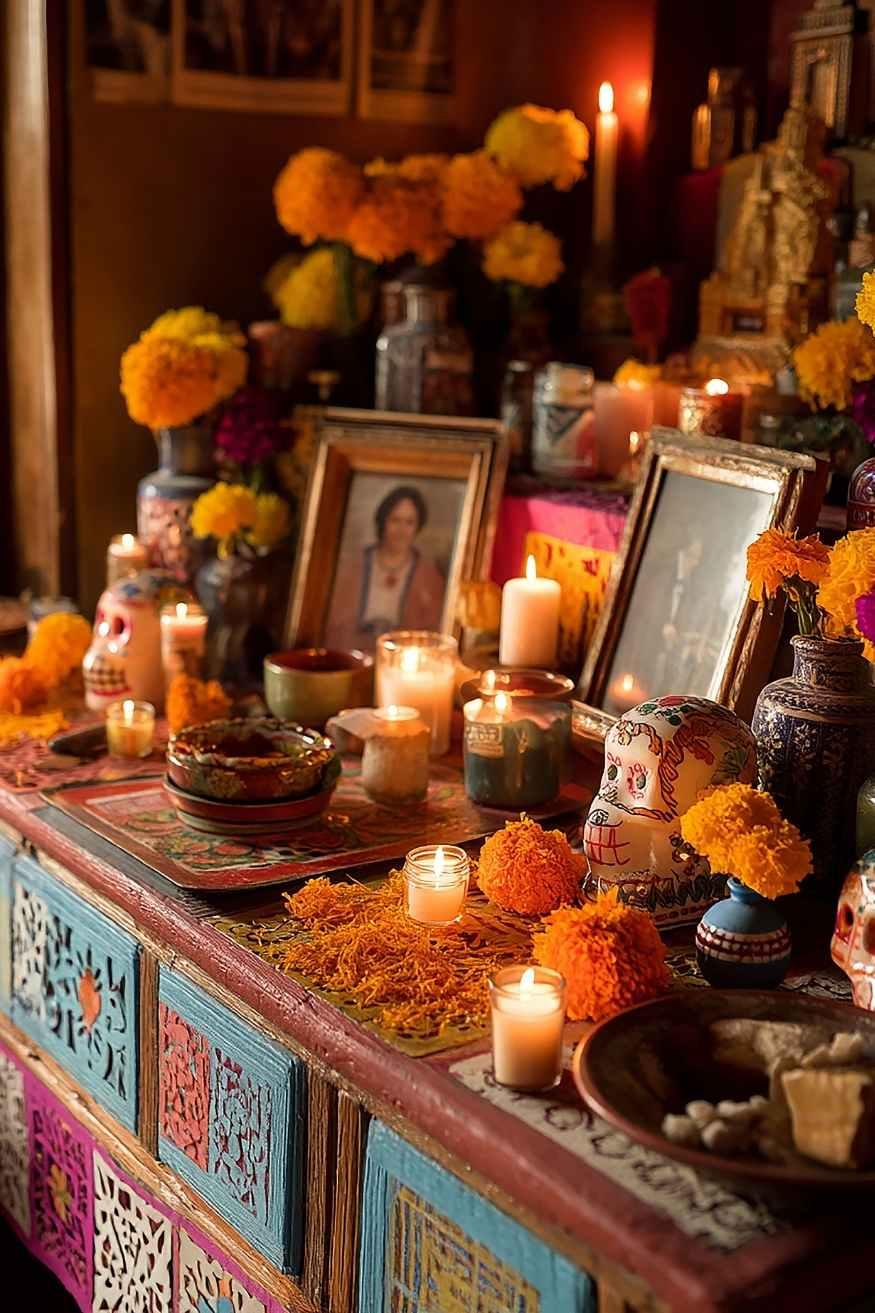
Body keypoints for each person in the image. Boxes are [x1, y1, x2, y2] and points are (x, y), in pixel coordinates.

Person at [324, 485, 446, 650]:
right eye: (395, 520)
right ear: (383, 521)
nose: (401, 530)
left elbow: (433, 634)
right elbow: (334, 624)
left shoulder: (429, 575)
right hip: (352, 655)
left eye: (409, 522)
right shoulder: (354, 566)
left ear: (418, 527)